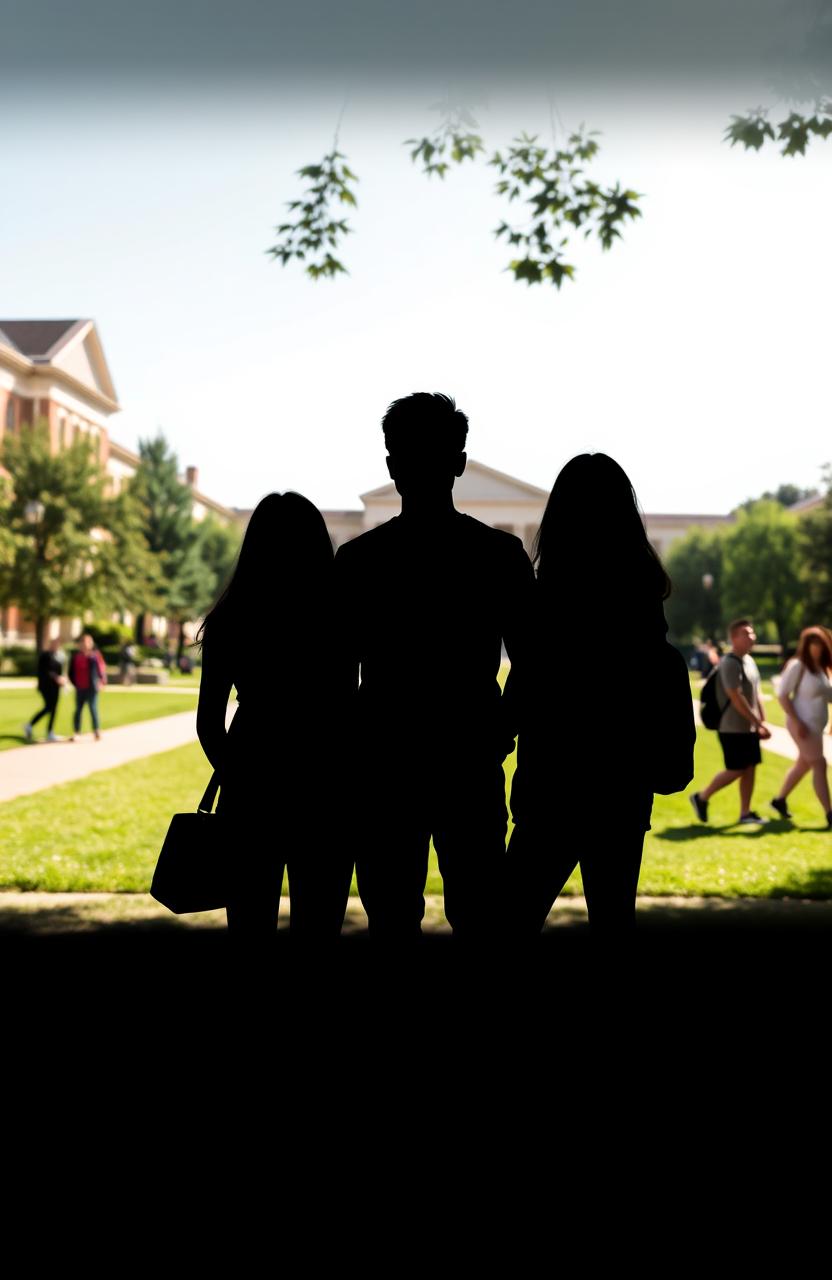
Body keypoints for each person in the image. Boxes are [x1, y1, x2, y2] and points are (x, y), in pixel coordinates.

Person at [334, 392, 535, 942]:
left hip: (385, 761)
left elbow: (335, 675)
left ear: (392, 466)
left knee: (391, 918)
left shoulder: (358, 562)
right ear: (460, 462)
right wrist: (500, 728)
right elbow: (533, 663)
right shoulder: (498, 556)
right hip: (468, 754)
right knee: (480, 918)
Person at [505, 453, 674, 938]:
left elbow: (528, 686)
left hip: (553, 781)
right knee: (614, 919)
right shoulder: (641, 596)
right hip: (622, 783)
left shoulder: (549, 597)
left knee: (511, 922)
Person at [196, 492, 353, 940]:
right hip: (325, 783)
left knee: (249, 930)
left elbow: (209, 723)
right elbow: (349, 704)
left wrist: (238, 777)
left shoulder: (232, 618)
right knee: (320, 929)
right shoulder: (339, 616)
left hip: (253, 772)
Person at [690, 618, 772, 825]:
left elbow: (756, 693)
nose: (752, 637)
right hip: (732, 727)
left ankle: (745, 813)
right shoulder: (729, 663)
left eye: (752, 633)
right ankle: (701, 797)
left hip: (750, 727)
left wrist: (762, 720)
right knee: (737, 769)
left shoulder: (750, 662)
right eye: (746, 633)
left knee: (750, 767)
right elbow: (735, 697)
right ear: (734, 638)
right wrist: (758, 722)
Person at [771, 626, 832, 827]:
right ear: (806, 645)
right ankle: (830, 813)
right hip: (801, 725)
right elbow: (782, 695)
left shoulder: (822, 669)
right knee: (819, 764)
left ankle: (779, 801)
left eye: (821, 643)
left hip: (815, 726)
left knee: (803, 764)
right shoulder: (797, 665)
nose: (818, 648)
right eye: (814, 643)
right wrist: (797, 722)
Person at [23, 639, 66, 743]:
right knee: (49, 707)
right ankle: (30, 725)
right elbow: (45, 671)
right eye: (54, 644)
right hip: (46, 686)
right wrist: (56, 678)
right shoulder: (45, 656)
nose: (56, 646)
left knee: (54, 709)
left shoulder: (59, 657)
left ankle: (50, 732)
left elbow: (60, 671)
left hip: (55, 687)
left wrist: (62, 679)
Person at [68, 633, 107, 740]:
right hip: (80, 688)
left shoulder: (95, 656)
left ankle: (96, 730)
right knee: (78, 711)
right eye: (83, 642)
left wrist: (102, 682)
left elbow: (102, 670)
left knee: (93, 709)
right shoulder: (76, 657)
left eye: (87, 642)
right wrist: (74, 683)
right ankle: (77, 732)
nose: (85, 644)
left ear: (91, 644)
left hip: (92, 688)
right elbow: (71, 672)